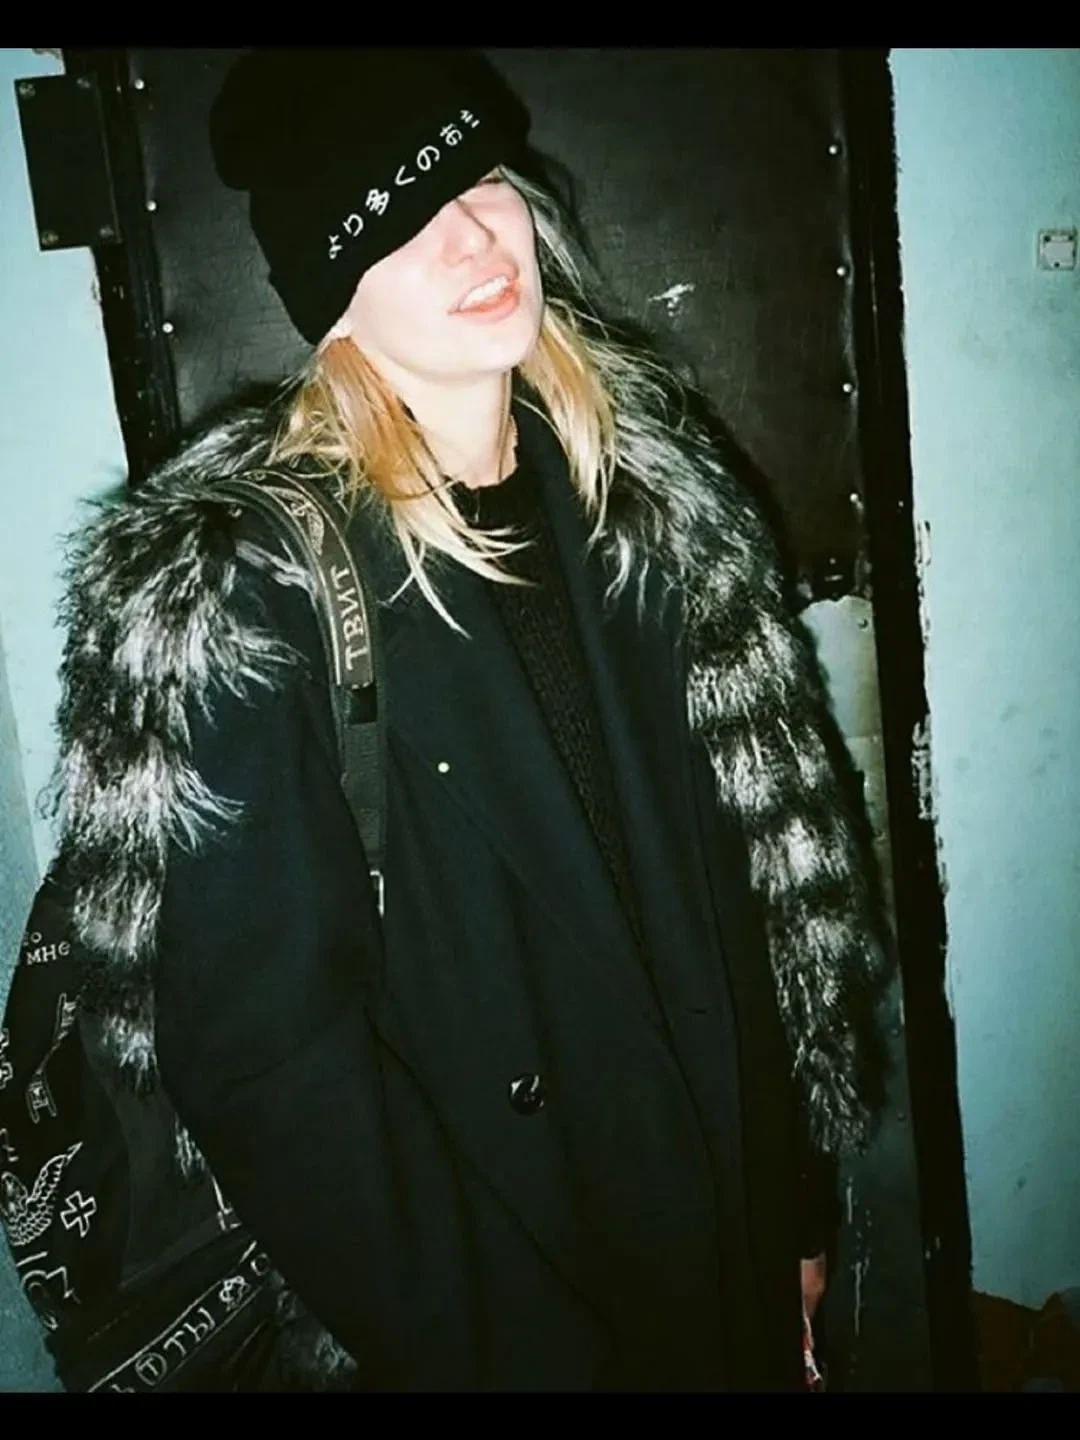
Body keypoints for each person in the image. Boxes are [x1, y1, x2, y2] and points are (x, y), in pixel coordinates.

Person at [46, 48, 886, 1390]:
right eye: (395, 220)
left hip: (714, 1214)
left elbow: (755, 898)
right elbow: (277, 1070)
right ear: (330, 295)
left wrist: (789, 1207)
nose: (474, 237)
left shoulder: (653, 508)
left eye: (478, 181)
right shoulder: (254, 594)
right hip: (503, 1286)